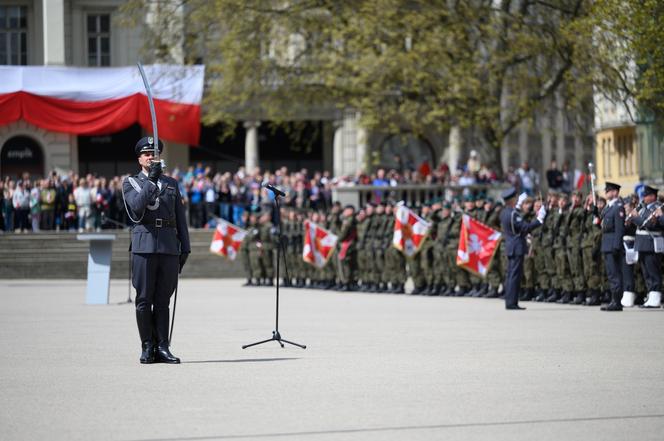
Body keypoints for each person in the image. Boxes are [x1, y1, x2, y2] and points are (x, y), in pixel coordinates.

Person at [122, 137, 191, 364]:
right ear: (139, 158)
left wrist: (185, 246)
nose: (151, 157)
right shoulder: (130, 183)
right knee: (143, 299)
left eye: (154, 153)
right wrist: (151, 181)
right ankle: (147, 346)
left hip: (169, 245)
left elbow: (180, 217)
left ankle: (163, 346)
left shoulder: (171, 183)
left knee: (163, 300)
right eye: (146, 154)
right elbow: (136, 207)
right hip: (144, 245)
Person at [500, 188, 545, 310]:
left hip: (510, 246)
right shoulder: (513, 213)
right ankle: (512, 303)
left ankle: (510, 301)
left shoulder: (504, 212)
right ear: (512, 200)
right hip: (516, 246)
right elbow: (525, 227)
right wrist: (539, 220)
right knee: (515, 276)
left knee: (511, 275)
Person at [629, 185, 663, 308]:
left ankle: (656, 296)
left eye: (647, 195)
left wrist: (635, 217)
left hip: (651, 243)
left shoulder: (656, 208)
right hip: (642, 244)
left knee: (653, 271)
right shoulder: (643, 208)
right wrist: (632, 219)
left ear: (653, 197)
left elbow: (647, 224)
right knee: (646, 272)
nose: (644, 197)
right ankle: (651, 295)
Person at [599, 182, 625, 311]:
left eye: (609, 190)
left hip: (612, 245)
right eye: (606, 190)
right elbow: (603, 224)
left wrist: (616, 246)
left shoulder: (618, 207)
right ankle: (613, 299)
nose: (606, 192)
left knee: (614, 273)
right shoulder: (609, 207)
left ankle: (617, 301)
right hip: (606, 244)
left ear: (615, 192)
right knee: (610, 273)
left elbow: (619, 229)